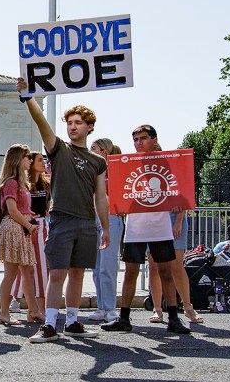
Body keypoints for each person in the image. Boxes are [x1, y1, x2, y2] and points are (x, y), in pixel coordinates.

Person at [17, 78, 110, 343]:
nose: (72, 127)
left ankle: (72, 321)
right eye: (69, 122)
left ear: (89, 127)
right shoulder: (59, 149)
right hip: (61, 219)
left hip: (86, 222)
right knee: (58, 272)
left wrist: (104, 227)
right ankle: (49, 324)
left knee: (79, 272)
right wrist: (28, 97)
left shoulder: (98, 161)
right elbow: (41, 122)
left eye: (78, 122)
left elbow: (101, 197)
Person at [102, 124, 192, 334]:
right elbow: (119, 193)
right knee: (130, 273)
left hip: (160, 226)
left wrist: (178, 207)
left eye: (143, 138)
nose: (138, 143)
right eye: (135, 139)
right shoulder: (127, 165)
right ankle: (124, 318)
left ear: (154, 140)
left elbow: (179, 189)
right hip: (135, 226)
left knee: (165, 272)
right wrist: (118, 207)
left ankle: (173, 318)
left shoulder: (167, 164)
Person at [0, 144, 44, 325]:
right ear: (18, 159)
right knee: (11, 273)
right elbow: (12, 210)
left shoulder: (20, 182)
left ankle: (33, 311)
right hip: (14, 228)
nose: (30, 160)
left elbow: (19, 210)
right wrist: (29, 226)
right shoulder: (12, 182)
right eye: (27, 157)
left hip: (21, 227)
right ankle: (4, 313)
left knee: (28, 271)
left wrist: (29, 217)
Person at [88, 138, 125, 323]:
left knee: (108, 266)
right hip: (92, 218)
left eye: (93, 148)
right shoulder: (92, 171)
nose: (90, 151)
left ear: (104, 151)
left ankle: (110, 308)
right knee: (96, 267)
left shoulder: (116, 172)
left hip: (111, 218)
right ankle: (101, 307)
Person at [9, 151, 50, 317]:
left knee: (39, 267)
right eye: (40, 160)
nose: (44, 163)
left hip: (41, 226)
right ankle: (18, 299)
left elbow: (46, 207)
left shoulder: (46, 184)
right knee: (25, 266)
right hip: (26, 225)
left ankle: (39, 307)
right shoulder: (23, 184)